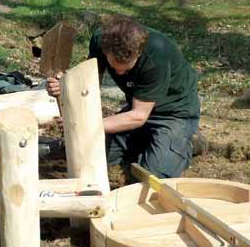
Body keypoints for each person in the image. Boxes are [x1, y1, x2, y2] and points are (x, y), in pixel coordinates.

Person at [47, 17, 199, 179]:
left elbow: (138, 116)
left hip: (173, 114)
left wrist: (85, 124)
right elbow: (88, 84)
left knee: (150, 177)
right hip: (138, 109)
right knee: (87, 151)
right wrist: (65, 86)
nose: (119, 74)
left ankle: (186, 145)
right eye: (114, 67)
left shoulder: (156, 57)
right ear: (106, 51)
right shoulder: (101, 41)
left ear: (138, 53)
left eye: (126, 70)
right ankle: (150, 143)